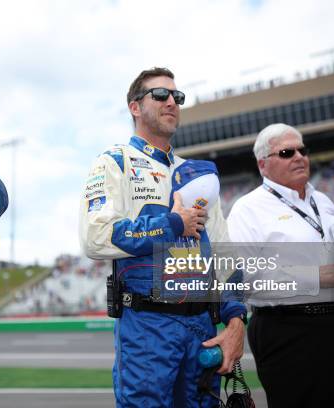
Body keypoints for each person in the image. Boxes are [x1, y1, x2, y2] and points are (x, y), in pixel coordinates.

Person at [79, 67, 246, 407]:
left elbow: (225, 253)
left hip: (202, 329)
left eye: (177, 96)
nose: (172, 101)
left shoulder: (199, 175)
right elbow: (95, 237)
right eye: (160, 94)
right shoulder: (115, 163)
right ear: (135, 107)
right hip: (147, 327)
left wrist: (236, 320)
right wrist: (171, 224)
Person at [227, 123, 334, 408]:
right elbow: (245, 279)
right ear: (263, 164)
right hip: (293, 331)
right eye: (287, 152)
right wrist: (317, 277)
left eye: (302, 150)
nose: (299, 156)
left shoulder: (323, 201)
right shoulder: (247, 209)